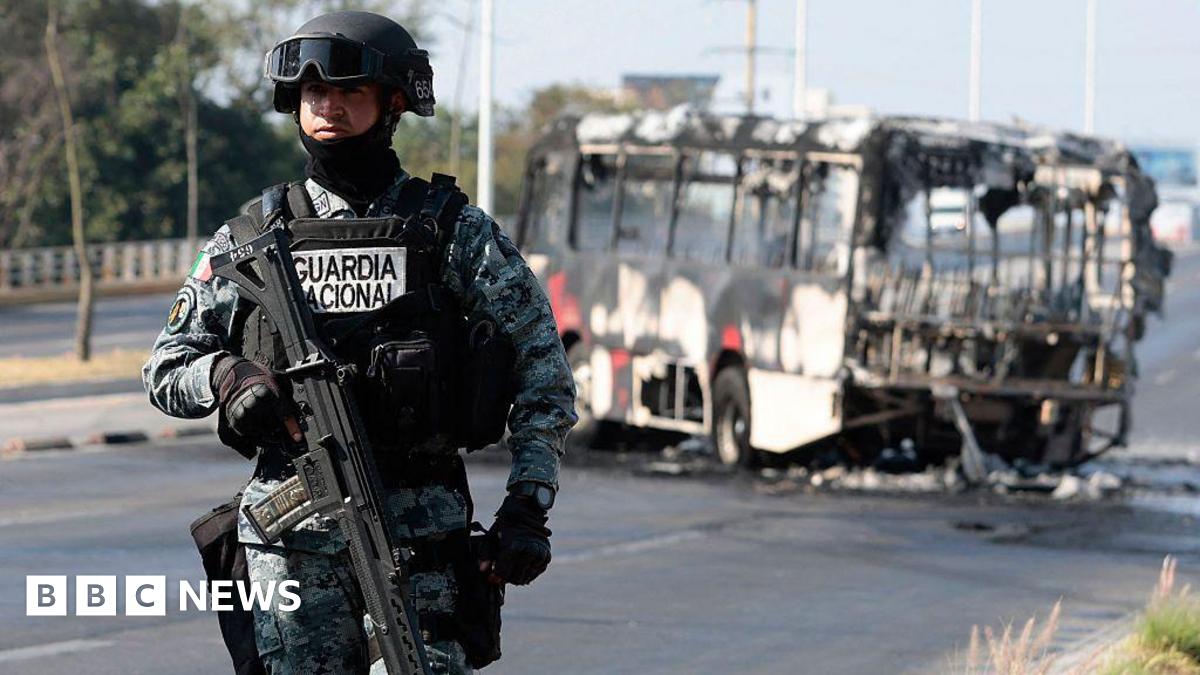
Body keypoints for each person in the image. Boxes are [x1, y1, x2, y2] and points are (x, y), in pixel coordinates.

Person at [142, 10, 576, 674]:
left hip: (419, 547)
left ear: (394, 103)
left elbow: (542, 370)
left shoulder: (449, 232)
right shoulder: (255, 236)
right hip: (290, 548)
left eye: (350, 93)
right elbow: (169, 365)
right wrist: (229, 378)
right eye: (315, 94)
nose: (329, 107)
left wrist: (528, 502)